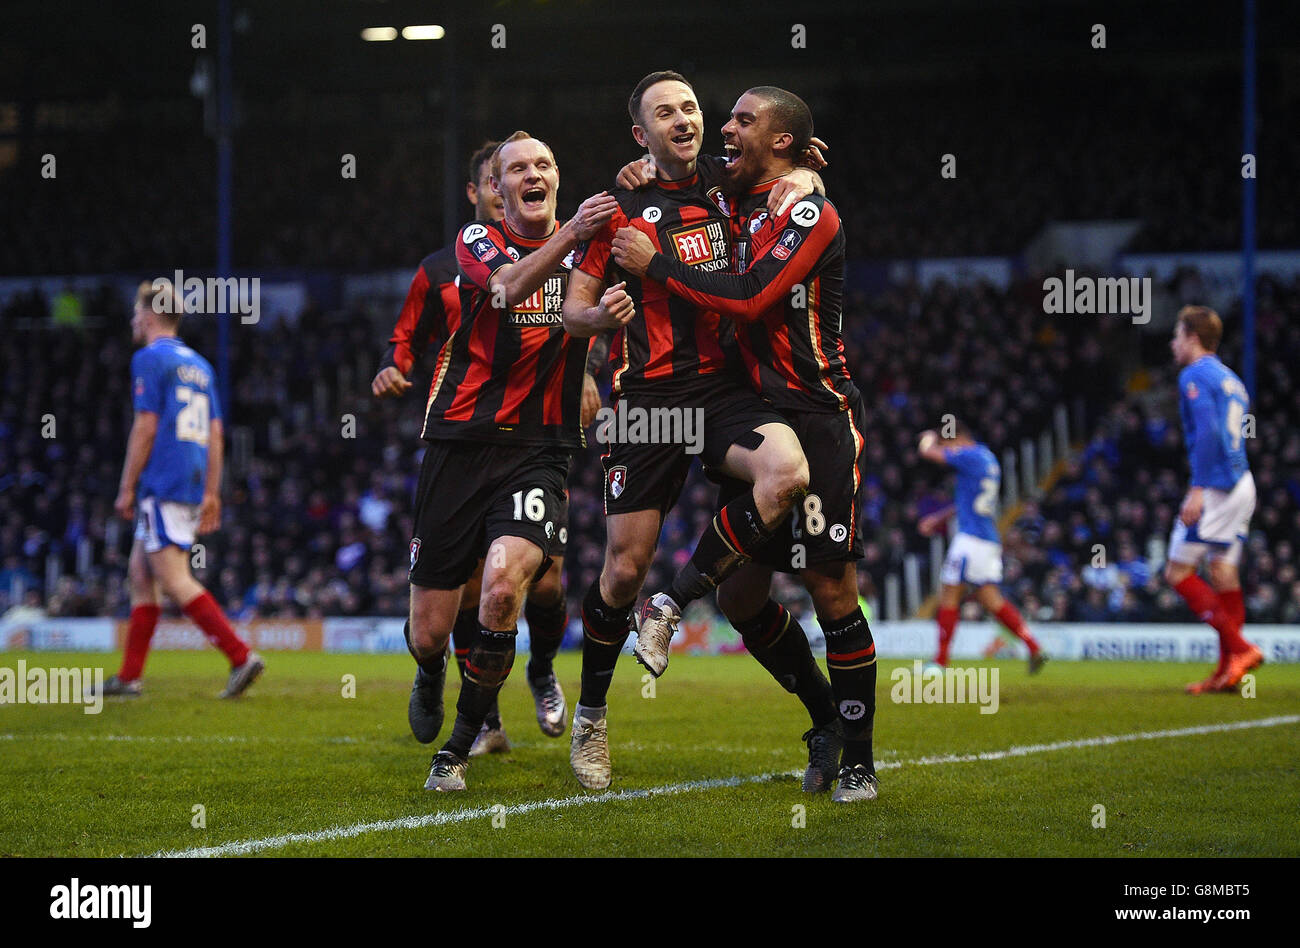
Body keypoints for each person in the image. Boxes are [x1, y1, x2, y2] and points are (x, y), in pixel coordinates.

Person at [611, 87, 877, 802]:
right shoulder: (732, 201)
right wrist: (632, 173)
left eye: (742, 120)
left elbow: (752, 296)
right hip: (753, 411)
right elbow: (669, 183)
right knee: (743, 594)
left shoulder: (808, 209)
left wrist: (656, 267)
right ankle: (823, 720)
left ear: (783, 142)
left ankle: (858, 760)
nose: (724, 128)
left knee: (830, 588)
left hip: (818, 416)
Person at [561, 71, 821, 790]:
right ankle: (591, 719)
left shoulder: (726, 180)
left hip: (723, 390)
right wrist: (599, 319)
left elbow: (796, 164)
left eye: (690, 107)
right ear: (640, 136)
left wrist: (805, 178)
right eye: (664, 113)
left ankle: (671, 604)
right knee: (620, 569)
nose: (685, 118)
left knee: (786, 473)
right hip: (646, 398)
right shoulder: (617, 209)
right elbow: (571, 312)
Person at [373, 142, 601, 756]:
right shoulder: (468, 247)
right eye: (515, 170)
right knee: (433, 627)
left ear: (559, 176)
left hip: (539, 445)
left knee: (518, 586)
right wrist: (393, 367)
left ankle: (522, 688)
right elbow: (495, 295)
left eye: (544, 165)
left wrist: (590, 371)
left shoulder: (590, 248)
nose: (533, 177)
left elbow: (603, 312)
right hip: (459, 441)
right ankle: (429, 668)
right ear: (492, 190)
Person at [101, 281, 264, 699]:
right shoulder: (201, 366)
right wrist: (212, 490)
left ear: (150, 316)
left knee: (173, 579)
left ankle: (240, 655)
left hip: (163, 480)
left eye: (137, 312)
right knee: (141, 572)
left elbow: (146, 424)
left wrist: (126, 486)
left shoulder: (149, 359)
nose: (133, 319)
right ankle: (129, 676)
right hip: (190, 477)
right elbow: (216, 433)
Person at [1163, 305, 1262, 693]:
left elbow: (1207, 433)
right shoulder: (1232, 379)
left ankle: (1241, 648)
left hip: (1218, 486)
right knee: (1222, 573)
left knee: (1177, 572)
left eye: (1176, 335)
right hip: (1242, 483)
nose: (1172, 344)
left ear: (1191, 336)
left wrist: (1198, 488)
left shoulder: (1195, 375)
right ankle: (1228, 671)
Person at [917, 420, 1046, 674]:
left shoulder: (968, 454)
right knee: (990, 599)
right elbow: (967, 499)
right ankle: (1033, 646)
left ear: (957, 439)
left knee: (949, 594)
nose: (948, 450)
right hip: (987, 538)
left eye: (948, 444)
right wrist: (940, 519)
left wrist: (929, 438)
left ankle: (940, 663)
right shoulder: (987, 458)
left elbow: (928, 453)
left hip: (971, 539)